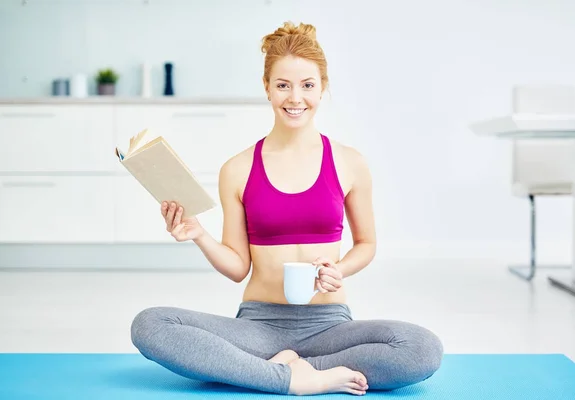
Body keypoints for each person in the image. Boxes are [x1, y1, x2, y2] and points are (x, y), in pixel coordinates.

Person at [131, 21, 443, 396]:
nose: (295, 98)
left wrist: (339, 269)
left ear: (322, 87)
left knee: (422, 348)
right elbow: (237, 267)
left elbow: (366, 244)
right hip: (258, 325)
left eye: (307, 85)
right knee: (150, 325)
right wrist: (199, 234)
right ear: (267, 88)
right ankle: (296, 379)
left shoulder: (350, 162)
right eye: (283, 85)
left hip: (330, 325)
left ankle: (274, 371)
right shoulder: (238, 168)